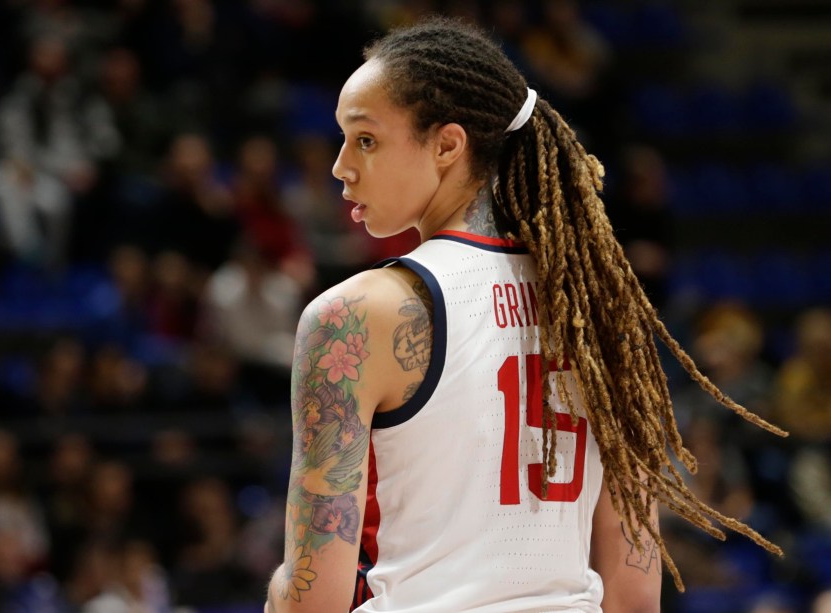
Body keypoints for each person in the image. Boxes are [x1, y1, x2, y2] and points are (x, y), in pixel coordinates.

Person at [265, 17, 784, 613]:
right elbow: (637, 592)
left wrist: (279, 592)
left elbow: (312, 601)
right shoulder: (599, 310)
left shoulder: (357, 315)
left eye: (365, 139)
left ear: (447, 144)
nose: (340, 166)